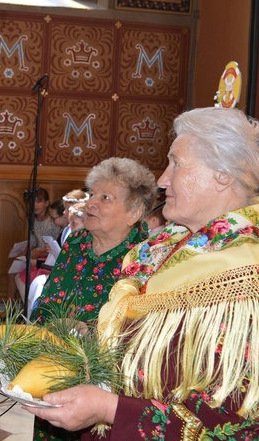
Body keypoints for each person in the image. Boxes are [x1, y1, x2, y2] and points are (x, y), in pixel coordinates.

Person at [27, 107, 259, 440]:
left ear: (222, 175)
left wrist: (109, 409)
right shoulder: (167, 247)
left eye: (177, 163)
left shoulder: (251, 282)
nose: (162, 179)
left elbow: (237, 419)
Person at [30, 157, 157, 441]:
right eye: (91, 195)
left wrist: (89, 333)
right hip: (53, 372)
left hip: (108, 398)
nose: (90, 204)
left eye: (105, 197)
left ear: (134, 212)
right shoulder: (76, 243)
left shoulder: (146, 259)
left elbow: (145, 338)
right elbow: (47, 302)